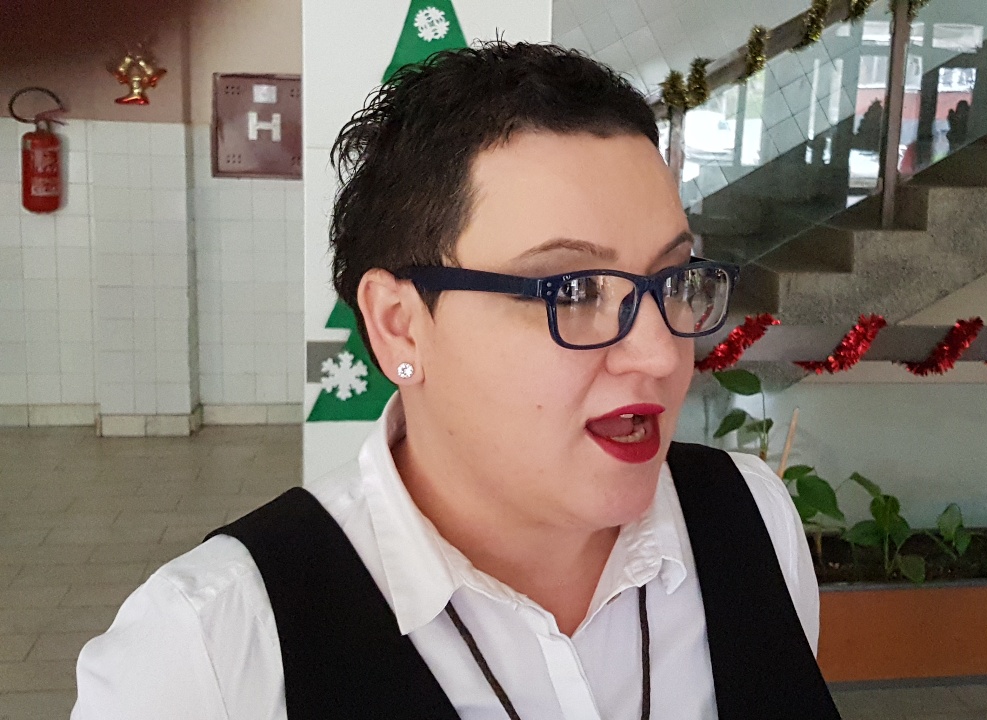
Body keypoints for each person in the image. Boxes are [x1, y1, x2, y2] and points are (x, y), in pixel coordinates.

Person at [71, 42, 840, 719]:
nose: (661, 355)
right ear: (400, 326)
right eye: (572, 289)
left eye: (672, 280)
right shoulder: (211, 649)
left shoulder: (751, 523)